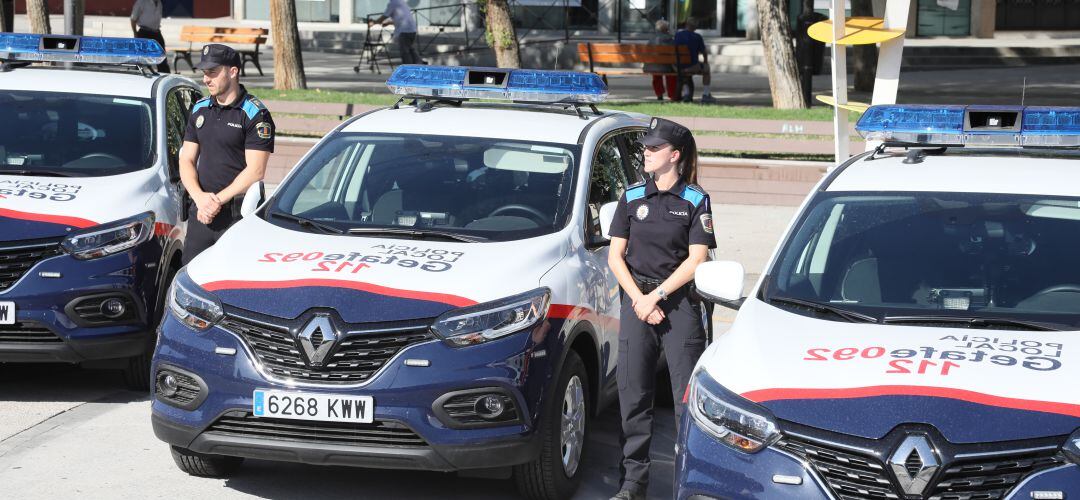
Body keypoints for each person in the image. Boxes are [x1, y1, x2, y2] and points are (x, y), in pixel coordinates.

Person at [607, 118, 715, 500]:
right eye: (646, 148)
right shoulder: (632, 196)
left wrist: (657, 297)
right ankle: (632, 485)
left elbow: (697, 259)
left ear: (675, 155)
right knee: (634, 397)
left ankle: (689, 484)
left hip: (679, 304)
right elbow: (615, 256)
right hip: (637, 302)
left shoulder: (695, 200)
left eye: (654, 149)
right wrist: (640, 298)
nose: (646, 154)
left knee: (687, 401)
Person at [179, 44, 274, 264]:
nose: (206, 79)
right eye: (204, 73)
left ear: (233, 71)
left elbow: (256, 170)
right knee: (189, 278)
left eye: (213, 72)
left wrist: (216, 201)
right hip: (201, 213)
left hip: (236, 216)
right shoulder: (199, 109)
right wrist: (200, 199)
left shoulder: (254, 114)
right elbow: (186, 159)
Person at [674, 18, 715, 104]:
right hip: (692, 66)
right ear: (695, 27)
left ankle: (686, 93)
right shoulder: (697, 37)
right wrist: (705, 62)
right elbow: (704, 52)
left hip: (678, 65)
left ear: (686, 24)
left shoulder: (677, 35)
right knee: (706, 70)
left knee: (685, 73)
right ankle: (706, 94)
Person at [369, 0, 423, 65]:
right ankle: (419, 64)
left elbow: (385, 16)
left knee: (405, 52)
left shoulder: (393, 3)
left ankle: (408, 69)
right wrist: (389, 23)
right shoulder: (401, 2)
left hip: (404, 31)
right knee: (410, 49)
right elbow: (402, 18)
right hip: (412, 29)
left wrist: (374, 22)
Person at [130, 0, 169, 73]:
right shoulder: (141, 2)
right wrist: (135, 34)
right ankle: (137, 75)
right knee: (140, 59)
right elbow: (133, 19)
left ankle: (164, 76)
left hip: (156, 33)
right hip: (144, 33)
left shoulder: (159, 3)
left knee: (162, 58)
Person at [645, 20, 680, 102]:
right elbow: (674, 55)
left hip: (653, 66)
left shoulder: (651, 40)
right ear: (666, 29)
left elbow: (647, 52)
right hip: (667, 66)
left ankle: (659, 94)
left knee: (656, 75)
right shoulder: (671, 40)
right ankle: (672, 95)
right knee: (672, 74)